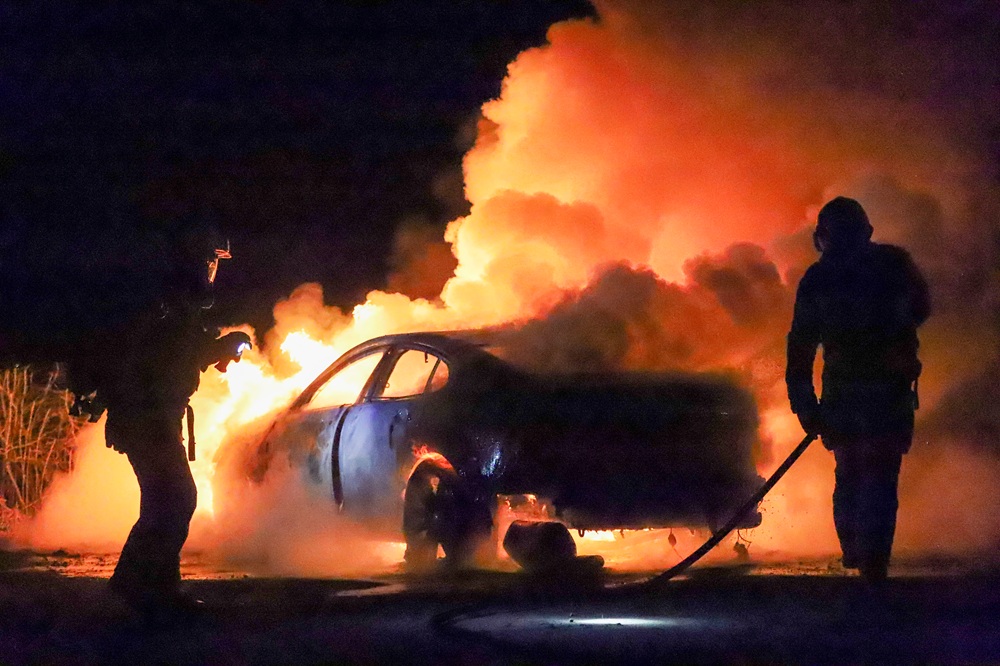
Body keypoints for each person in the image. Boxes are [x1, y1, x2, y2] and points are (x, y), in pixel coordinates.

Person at [68, 224, 250, 619]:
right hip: (148, 417)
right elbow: (154, 359)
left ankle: (156, 590)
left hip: (153, 417)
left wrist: (217, 349)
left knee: (165, 501)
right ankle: (140, 586)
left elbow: (176, 355)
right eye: (211, 261)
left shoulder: (174, 304)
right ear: (196, 260)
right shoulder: (166, 304)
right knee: (175, 499)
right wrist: (217, 348)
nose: (213, 270)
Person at [786, 197, 930, 583]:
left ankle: (859, 553)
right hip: (886, 390)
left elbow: (801, 347)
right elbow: (921, 308)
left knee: (852, 472)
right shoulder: (894, 264)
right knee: (879, 476)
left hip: (847, 393)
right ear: (866, 231)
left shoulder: (819, 279)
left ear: (823, 237)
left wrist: (806, 406)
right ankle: (872, 562)